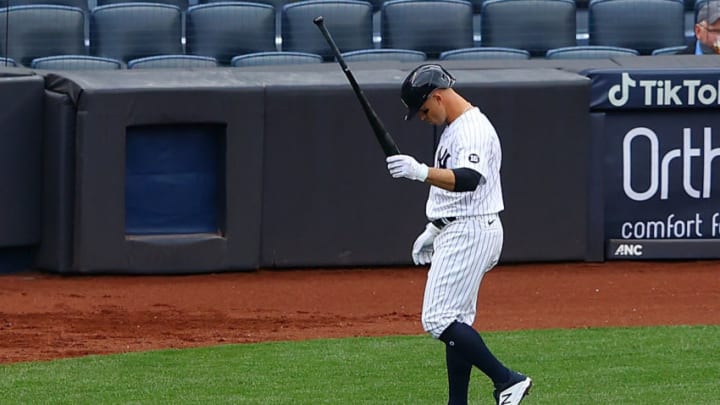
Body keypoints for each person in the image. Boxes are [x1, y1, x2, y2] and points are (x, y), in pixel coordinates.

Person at [385, 63, 532, 405]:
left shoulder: (472, 129)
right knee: (457, 321)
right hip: (462, 227)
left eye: (423, 110)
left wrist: (419, 171)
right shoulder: (454, 127)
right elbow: (455, 190)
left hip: (471, 231)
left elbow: (469, 179)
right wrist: (433, 229)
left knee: (437, 319)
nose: (422, 118)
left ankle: (508, 380)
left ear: (437, 97)